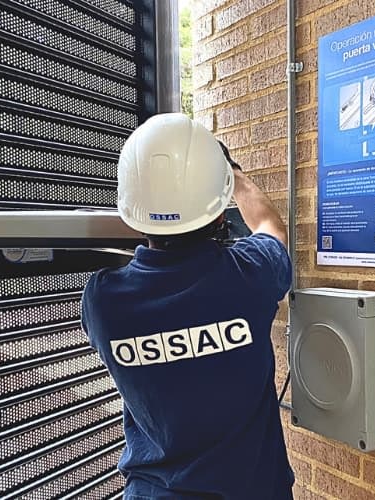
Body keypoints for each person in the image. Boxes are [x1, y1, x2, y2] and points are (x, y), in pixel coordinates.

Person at [81, 113, 294, 499]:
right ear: (218, 208)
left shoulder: (103, 301)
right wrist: (233, 174)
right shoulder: (250, 276)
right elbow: (271, 228)